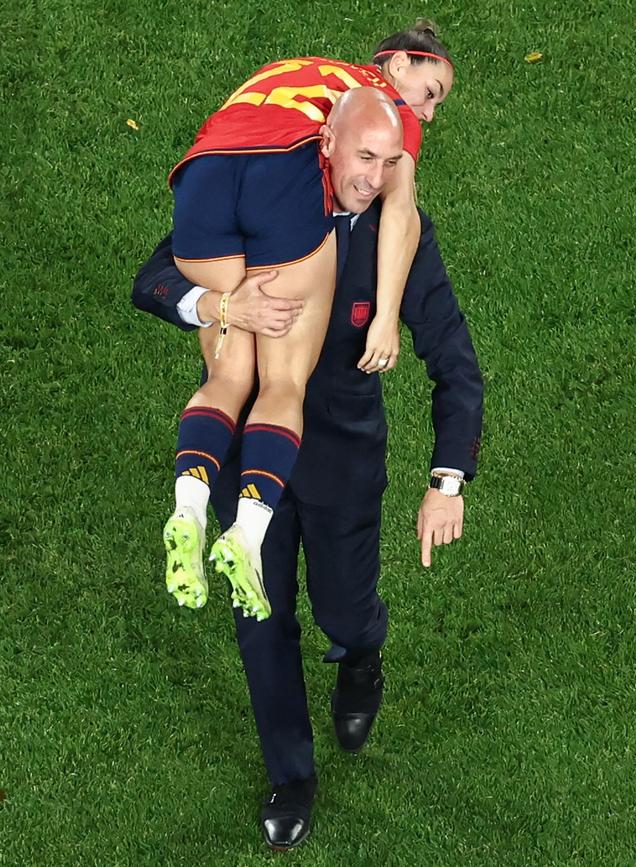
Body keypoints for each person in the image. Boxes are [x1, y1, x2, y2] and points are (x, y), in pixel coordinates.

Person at [132, 113, 483, 849]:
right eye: (363, 157)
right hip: (246, 454)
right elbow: (156, 278)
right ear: (328, 148)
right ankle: (291, 774)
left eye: (390, 162)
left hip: (341, 466)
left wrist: (446, 480)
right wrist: (224, 304)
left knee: (344, 610)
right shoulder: (266, 199)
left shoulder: (400, 236)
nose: (374, 176)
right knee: (259, 621)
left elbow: (453, 357)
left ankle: (361, 653)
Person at [161, 22, 455, 621]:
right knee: (282, 382)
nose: (428, 111)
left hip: (202, 173)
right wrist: (386, 316)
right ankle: (245, 534)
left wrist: (223, 305)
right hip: (281, 183)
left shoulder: (305, 71)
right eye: (431, 90)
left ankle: (186, 506)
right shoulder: (381, 110)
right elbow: (400, 213)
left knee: (230, 366)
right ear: (397, 64)